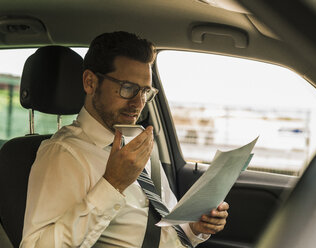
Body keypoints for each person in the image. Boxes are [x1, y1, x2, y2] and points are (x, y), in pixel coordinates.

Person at [20, 31, 229, 248]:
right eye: (127, 88)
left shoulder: (137, 143)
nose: (139, 103)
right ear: (90, 82)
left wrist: (194, 229)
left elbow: (165, 231)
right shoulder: (63, 154)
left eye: (145, 91)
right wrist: (112, 184)